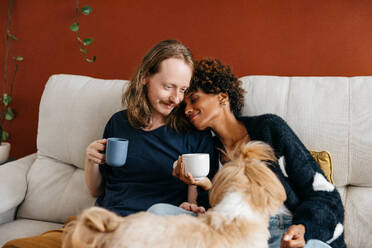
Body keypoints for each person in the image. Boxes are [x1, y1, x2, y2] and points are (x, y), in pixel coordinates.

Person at [3, 40, 215, 248]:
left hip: (145, 233)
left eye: (183, 89)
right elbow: (96, 190)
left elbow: (195, 202)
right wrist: (91, 160)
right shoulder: (119, 123)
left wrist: (189, 208)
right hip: (99, 225)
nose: (176, 99)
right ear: (145, 77)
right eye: (168, 87)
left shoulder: (193, 134)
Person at [150, 58, 346, 248]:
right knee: (159, 213)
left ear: (222, 96)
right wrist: (203, 198)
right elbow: (211, 211)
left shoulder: (269, 129)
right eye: (184, 105)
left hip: (281, 230)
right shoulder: (205, 149)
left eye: (193, 99)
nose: (187, 109)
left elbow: (325, 196)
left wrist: (304, 228)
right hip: (230, 232)